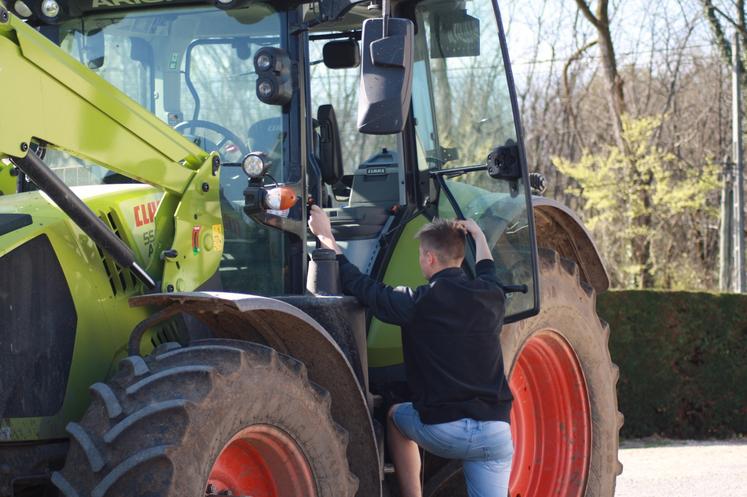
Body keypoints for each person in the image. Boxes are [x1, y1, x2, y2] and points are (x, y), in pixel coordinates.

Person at [308, 205, 514, 497]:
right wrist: (479, 236)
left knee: (395, 417)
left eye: (420, 255)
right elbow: (487, 269)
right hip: (496, 433)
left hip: (448, 431)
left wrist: (326, 236)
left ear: (429, 258)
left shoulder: (418, 303)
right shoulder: (492, 296)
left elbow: (361, 285)